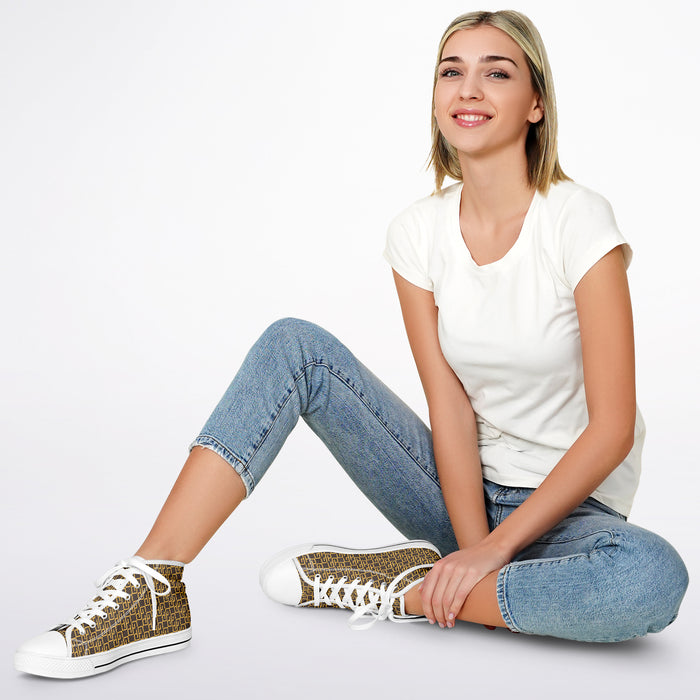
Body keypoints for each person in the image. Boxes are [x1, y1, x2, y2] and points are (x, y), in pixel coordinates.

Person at [14, 9, 689, 679]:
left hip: (572, 514)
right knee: (295, 347)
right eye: (451, 72)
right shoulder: (417, 233)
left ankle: (404, 590)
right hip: (454, 497)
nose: (468, 90)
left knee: (650, 579)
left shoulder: (577, 221)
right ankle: (155, 587)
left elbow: (610, 429)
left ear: (536, 103)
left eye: (497, 73)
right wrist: (470, 544)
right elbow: (449, 406)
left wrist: (490, 555)